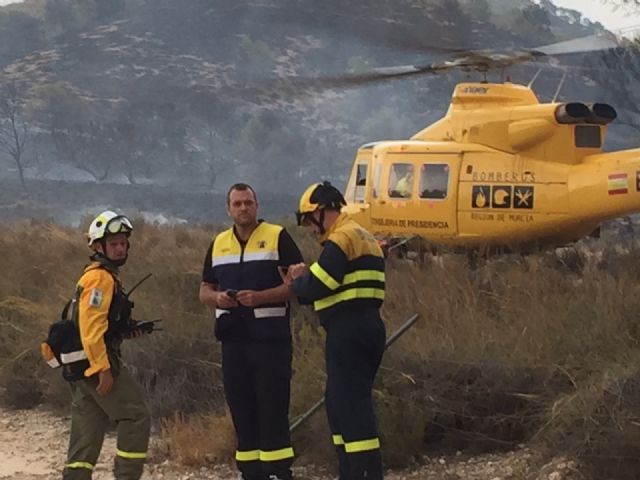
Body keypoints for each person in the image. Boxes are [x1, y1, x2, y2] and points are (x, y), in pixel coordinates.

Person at [199, 183, 304, 480]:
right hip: (233, 341)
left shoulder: (278, 237)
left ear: (257, 205)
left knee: (272, 409)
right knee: (242, 411)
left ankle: (278, 472)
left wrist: (261, 297)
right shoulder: (218, 243)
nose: (243, 208)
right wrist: (217, 298)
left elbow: (298, 286)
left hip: (270, 341)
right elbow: (204, 289)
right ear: (228, 209)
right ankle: (250, 473)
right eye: (237, 204)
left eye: (248, 202)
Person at [283, 181, 386, 480]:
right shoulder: (363, 235)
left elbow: (318, 284)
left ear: (320, 211)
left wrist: (296, 280)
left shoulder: (341, 238)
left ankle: (362, 473)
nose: (309, 229)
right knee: (339, 403)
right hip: (367, 326)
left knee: (350, 407)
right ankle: (351, 470)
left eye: (308, 220)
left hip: (348, 330)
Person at [62, 210, 151, 480]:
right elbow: (91, 330)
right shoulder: (100, 279)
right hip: (96, 363)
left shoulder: (98, 276)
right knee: (136, 416)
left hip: (81, 366)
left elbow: (98, 323)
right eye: (114, 244)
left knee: (87, 430)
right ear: (98, 247)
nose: (120, 248)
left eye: (123, 243)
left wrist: (126, 330)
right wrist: (103, 368)